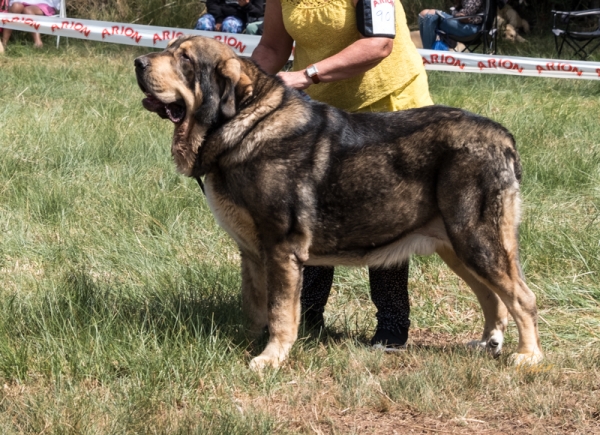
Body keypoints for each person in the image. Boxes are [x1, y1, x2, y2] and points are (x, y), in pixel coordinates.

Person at [251, 0, 433, 350]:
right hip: (321, 109)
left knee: (383, 215)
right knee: (311, 211)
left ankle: (392, 324)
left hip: (387, 105)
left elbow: (379, 44)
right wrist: (241, 82)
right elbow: (273, 47)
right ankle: (308, 317)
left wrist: (305, 75)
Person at [418, 0, 484, 50]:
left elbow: (464, 14)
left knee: (431, 14)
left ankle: (429, 55)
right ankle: (427, 52)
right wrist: (456, 13)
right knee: (423, 14)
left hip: (472, 28)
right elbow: (456, 12)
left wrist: (456, 13)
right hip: (462, 24)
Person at [195, 0, 264, 34]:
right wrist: (219, 20)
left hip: (237, 18)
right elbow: (211, 3)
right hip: (216, 15)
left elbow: (258, 12)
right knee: (203, 23)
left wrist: (246, 5)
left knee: (229, 25)